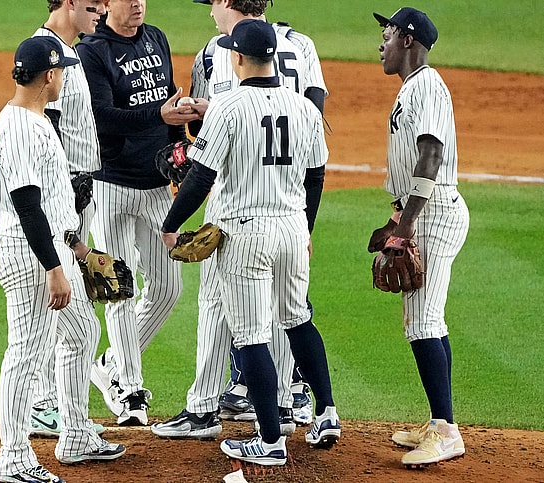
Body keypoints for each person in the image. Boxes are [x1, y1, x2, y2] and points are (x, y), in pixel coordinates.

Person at [160, 19, 340, 466]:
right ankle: (327, 413)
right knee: (298, 319)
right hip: (293, 227)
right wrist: (308, 227)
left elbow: (201, 176)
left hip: (246, 232)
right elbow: (316, 176)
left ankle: (269, 440)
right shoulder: (303, 109)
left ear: (237, 58)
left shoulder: (228, 105)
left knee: (252, 333)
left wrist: (171, 223)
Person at [0, 35, 125, 483]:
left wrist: (80, 250)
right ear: (49, 75)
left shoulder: (35, 118)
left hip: (52, 247)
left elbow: (50, 202)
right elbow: (28, 205)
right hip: (30, 253)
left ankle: (76, 434)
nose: (65, 76)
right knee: (25, 353)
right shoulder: (22, 127)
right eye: (62, 70)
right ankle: (13, 455)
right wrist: (53, 269)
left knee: (83, 331)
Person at [75, 0, 201, 426]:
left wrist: (178, 149)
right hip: (111, 183)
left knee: (168, 287)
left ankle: (109, 362)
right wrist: (158, 113)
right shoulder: (91, 50)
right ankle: (128, 389)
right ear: (106, 3)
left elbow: (169, 106)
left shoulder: (156, 38)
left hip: (153, 185)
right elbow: (102, 117)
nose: (138, 4)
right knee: (118, 286)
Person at [370, 7, 469, 468]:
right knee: (428, 319)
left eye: (387, 34)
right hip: (423, 211)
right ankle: (438, 421)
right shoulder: (413, 88)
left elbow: (430, 155)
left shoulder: (426, 85)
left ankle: (447, 432)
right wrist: (398, 217)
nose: (381, 43)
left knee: (422, 323)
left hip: (433, 212)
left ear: (407, 40)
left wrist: (406, 225)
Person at [28, 0, 108, 441]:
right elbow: (48, 127)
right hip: (64, 196)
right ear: (70, 3)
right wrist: (65, 187)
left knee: (63, 306)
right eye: (93, 5)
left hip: (79, 190)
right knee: (54, 301)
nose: (99, 12)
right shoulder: (46, 52)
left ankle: (50, 402)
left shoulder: (70, 51)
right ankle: (42, 403)